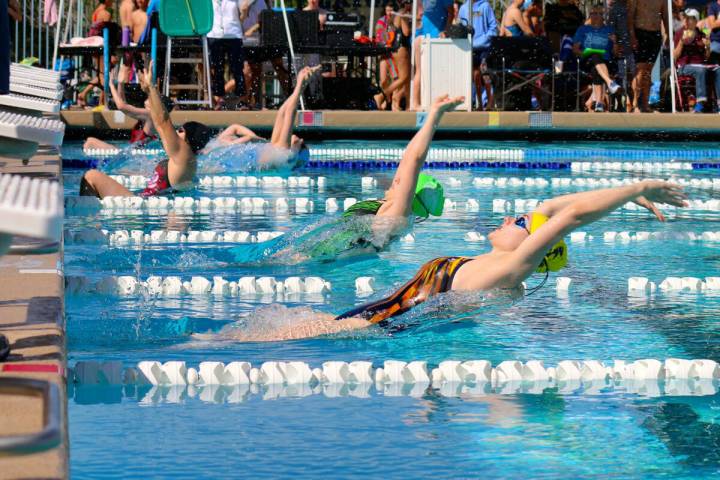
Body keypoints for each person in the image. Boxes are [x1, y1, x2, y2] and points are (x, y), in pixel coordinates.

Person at [227, 180, 688, 341]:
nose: (511, 216)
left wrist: (635, 189)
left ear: (534, 246)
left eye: (519, 221)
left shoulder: (507, 273)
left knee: (221, 347)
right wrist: (627, 195)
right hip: (356, 321)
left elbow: (563, 217)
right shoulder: (488, 262)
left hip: (356, 330)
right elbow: (554, 207)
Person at [252, 94, 463, 265]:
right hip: (320, 256)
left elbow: (413, 158)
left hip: (313, 258)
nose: (395, 179)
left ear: (407, 191)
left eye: (400, 180)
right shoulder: (395, 216)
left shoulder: (397, 214)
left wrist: (435, 116)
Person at [79, 63, 213, 198]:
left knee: (91, 176)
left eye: (181, 130)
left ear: (189, 139)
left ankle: (87, 218)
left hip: (140, 205)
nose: (177, 131)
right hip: (144, 200)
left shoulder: (183, 154)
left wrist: (151, 87)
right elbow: (158, 121)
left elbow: (163, 121)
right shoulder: (184, 159)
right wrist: (148, 91)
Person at [210, 66, 319, 170]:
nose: (301, 139)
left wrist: (300, 82)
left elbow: (291, 112)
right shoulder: (276, 149)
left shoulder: (283, 153)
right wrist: (303, 84)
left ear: (296, 152)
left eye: (302, 145)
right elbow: (282, 113)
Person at [83, 65, 175, 150]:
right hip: (132, 154)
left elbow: (121, 106)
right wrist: (120, 83)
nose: (149, 98)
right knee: (89, 142)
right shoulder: (151, 116)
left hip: (134, 156)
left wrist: (111, 85)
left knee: (90, 142)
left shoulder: (150, 115)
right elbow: (123, 103)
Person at [241, 0, 290, 109]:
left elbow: (264, 20)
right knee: (251, 71)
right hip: (245, 42)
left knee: (279, 67)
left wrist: (252, 29)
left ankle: (290, 97)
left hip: (264, 40)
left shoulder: (260, 2)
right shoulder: (237, 2)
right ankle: (248, 101)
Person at [572, 4, 621, 113]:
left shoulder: (609, 30)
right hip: (587, 60)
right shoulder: (583, 29)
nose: (596, 16)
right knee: (595, 55)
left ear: (604, 16)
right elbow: (575, 49)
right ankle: (609, 83)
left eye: (600, 14)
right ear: (590, 15)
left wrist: (614, 42)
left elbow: (616, 53)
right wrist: (584, 53)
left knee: (596, 69)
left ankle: (599, 103)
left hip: (607, 61)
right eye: (594, 13)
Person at [411, 0, 454, 109]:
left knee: (420, 71)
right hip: (432, 38)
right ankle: (417, 103)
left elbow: (419, 15)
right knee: (428, 71)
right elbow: (451, 12)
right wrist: (446, 30)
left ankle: (416, 103)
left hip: (422, 36)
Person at [674, 9, 718, 113]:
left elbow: (706, 57)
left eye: (689, 19)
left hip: (701, 66)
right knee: (700, 71)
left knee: (718, 69)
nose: (686, 21)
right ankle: (700, 103)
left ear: (695, 20)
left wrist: (707, 46)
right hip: (684, 66)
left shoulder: (701, 34)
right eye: (686, 18)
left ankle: (718, 103)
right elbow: (675, 56)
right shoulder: (680, 33)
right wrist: (681, 42)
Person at [628, 0, 668, 112]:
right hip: (640, 33)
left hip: (655, 35)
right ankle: (635, 104)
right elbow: (630, 16)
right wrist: (632, 35)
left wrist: (668, 35)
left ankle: (645, 104)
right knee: (640, 70)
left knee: (649, 71)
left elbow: (665, 16)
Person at [458, 0, 497, 110]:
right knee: (475, 75)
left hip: (484, 47)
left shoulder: (485, 6)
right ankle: (479, 103)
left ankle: (490, 101)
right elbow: (461, 28)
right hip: (470, 48)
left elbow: (493, 28)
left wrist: (483, 40)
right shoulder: (463, 8)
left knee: (484, 72)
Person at [208, 0, 247, 110]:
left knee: (237, 68)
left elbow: (243, 15)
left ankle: (241, 99)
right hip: (214, 34)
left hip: (234, 34)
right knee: (217, 68)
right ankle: (218, 98)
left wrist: (243, 12)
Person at [374, 0, 413, 110]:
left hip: (395, 49)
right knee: (403, 78)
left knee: (403, 78)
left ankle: (406, 105)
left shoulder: (394, 17)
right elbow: (405, 32)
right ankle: (381, 96)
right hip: (402, 48)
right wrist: (410, 25)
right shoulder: (401, 14)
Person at [607, 0, 635, 111]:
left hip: (631, 48)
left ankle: (631, 102)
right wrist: (615, 44)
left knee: (631, 75)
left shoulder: (633, 7)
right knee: (620, 75)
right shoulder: (615, 8)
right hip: (621, 47)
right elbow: (611, 29)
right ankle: (619, 102)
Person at [374, 1, 398, 110]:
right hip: (384, 53)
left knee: (395, 79)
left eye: (391, 11)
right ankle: (385, 98)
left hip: (395, 54)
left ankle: (393, 102)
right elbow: (381, 38)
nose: (389, 13)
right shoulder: (381, 22)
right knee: (383, 80)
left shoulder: (397, 20)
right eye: (387, 11)